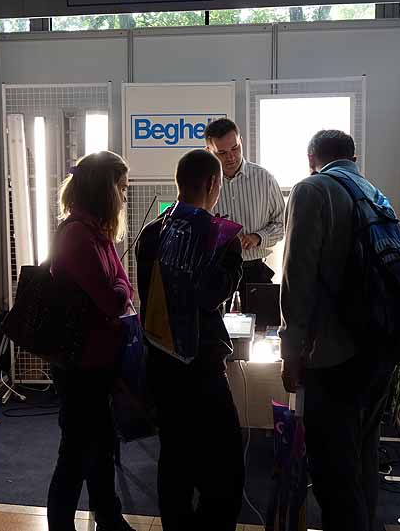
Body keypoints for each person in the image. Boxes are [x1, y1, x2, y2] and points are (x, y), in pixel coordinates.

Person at [279, 130, 396, 531]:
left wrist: (290, 353)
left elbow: (297, 278)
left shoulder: (311, 190)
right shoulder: (373, 193)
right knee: (363, 458)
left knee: (333, 470)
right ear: (353, 157)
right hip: (380, 348)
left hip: (334, 354)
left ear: (311, 158)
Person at [136, 149, 245, 531]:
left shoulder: (151, 233)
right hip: (202, 370)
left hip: (160, 364)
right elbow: (212, 295)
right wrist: (233, 263)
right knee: (226, 470)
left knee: (175, 462)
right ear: (213, 184)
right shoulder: (220, 236)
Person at [47, 151, 136, 531]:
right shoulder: (79, 236)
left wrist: (119, 288)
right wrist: (120, 288)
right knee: (75, 455)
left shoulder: (94, 232)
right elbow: (114, 299)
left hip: (95, 360)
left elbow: (121, 286)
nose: (125, 197)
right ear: (105, 190)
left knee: (98, 448)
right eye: (122, 188)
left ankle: (109, 518)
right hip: (80, 364)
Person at [204, 118, 285, 313]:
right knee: (216, 329)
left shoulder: (264, 179)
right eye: (222, 153)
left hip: (255, 272)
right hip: (215, 272)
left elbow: (283, 223)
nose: (231, 157)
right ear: (209, 151)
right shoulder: (204, 183)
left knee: (261, 327)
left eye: (235, 148)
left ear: (241, 141)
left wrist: (258, 237)